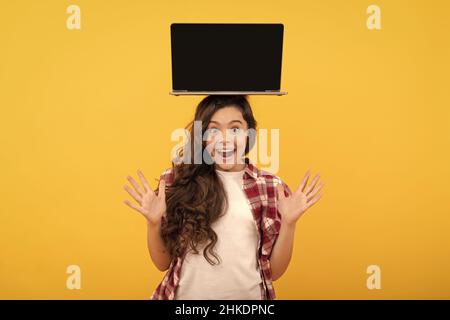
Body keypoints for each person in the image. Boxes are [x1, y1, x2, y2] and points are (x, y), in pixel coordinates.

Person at [123, 95, 324, 300]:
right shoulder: (176, 180)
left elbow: (273, 272)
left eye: (235, 128)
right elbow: (162, 263)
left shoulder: (270, 187)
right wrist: (153, 223)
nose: (225, 139)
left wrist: (289, 224)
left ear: (249, 134)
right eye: (213, 129)